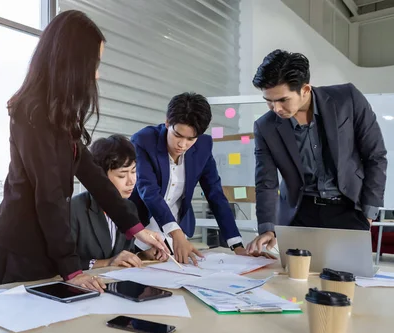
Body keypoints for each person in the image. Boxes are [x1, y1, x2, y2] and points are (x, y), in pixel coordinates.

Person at [0, 10, 168, 292]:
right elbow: (47, 195)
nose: (96, 75)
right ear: (71, 64)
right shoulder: (31, 113)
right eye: (94, 64)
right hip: (21, 247)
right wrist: (72, 270)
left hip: (48, 243)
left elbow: (93, 176)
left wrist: (136, 228)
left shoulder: (60, 115)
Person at [247, 50, 387, 254]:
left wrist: (369, 212)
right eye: (269, 100)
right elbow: (266, 182)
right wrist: (268, 227)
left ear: (304, 89)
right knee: (297, 281)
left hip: (349, 209)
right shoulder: (265, 127)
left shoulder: (347, 99)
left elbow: (375, 156)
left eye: (282, 100)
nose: (275, 108)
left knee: (348, 281)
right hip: (300, 214)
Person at [130, 92, 246, 265]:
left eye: (191, 139)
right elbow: (148, 190)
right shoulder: (144, 140)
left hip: (176, 233)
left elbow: (215, 193)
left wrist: (237, 244)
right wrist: (175, 233)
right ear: (167, 122)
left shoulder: (204, 146)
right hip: (141, 230)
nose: (182, 145)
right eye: (177, 135)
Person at [71, 135, 167, 270]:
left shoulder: (130, 207)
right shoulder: (75, 209)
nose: (131, 181)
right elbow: (61, 263)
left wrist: (142, 256)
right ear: (100, 176)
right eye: (122, 175)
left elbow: (122, 255)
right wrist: (106, 263)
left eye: (133, 172)